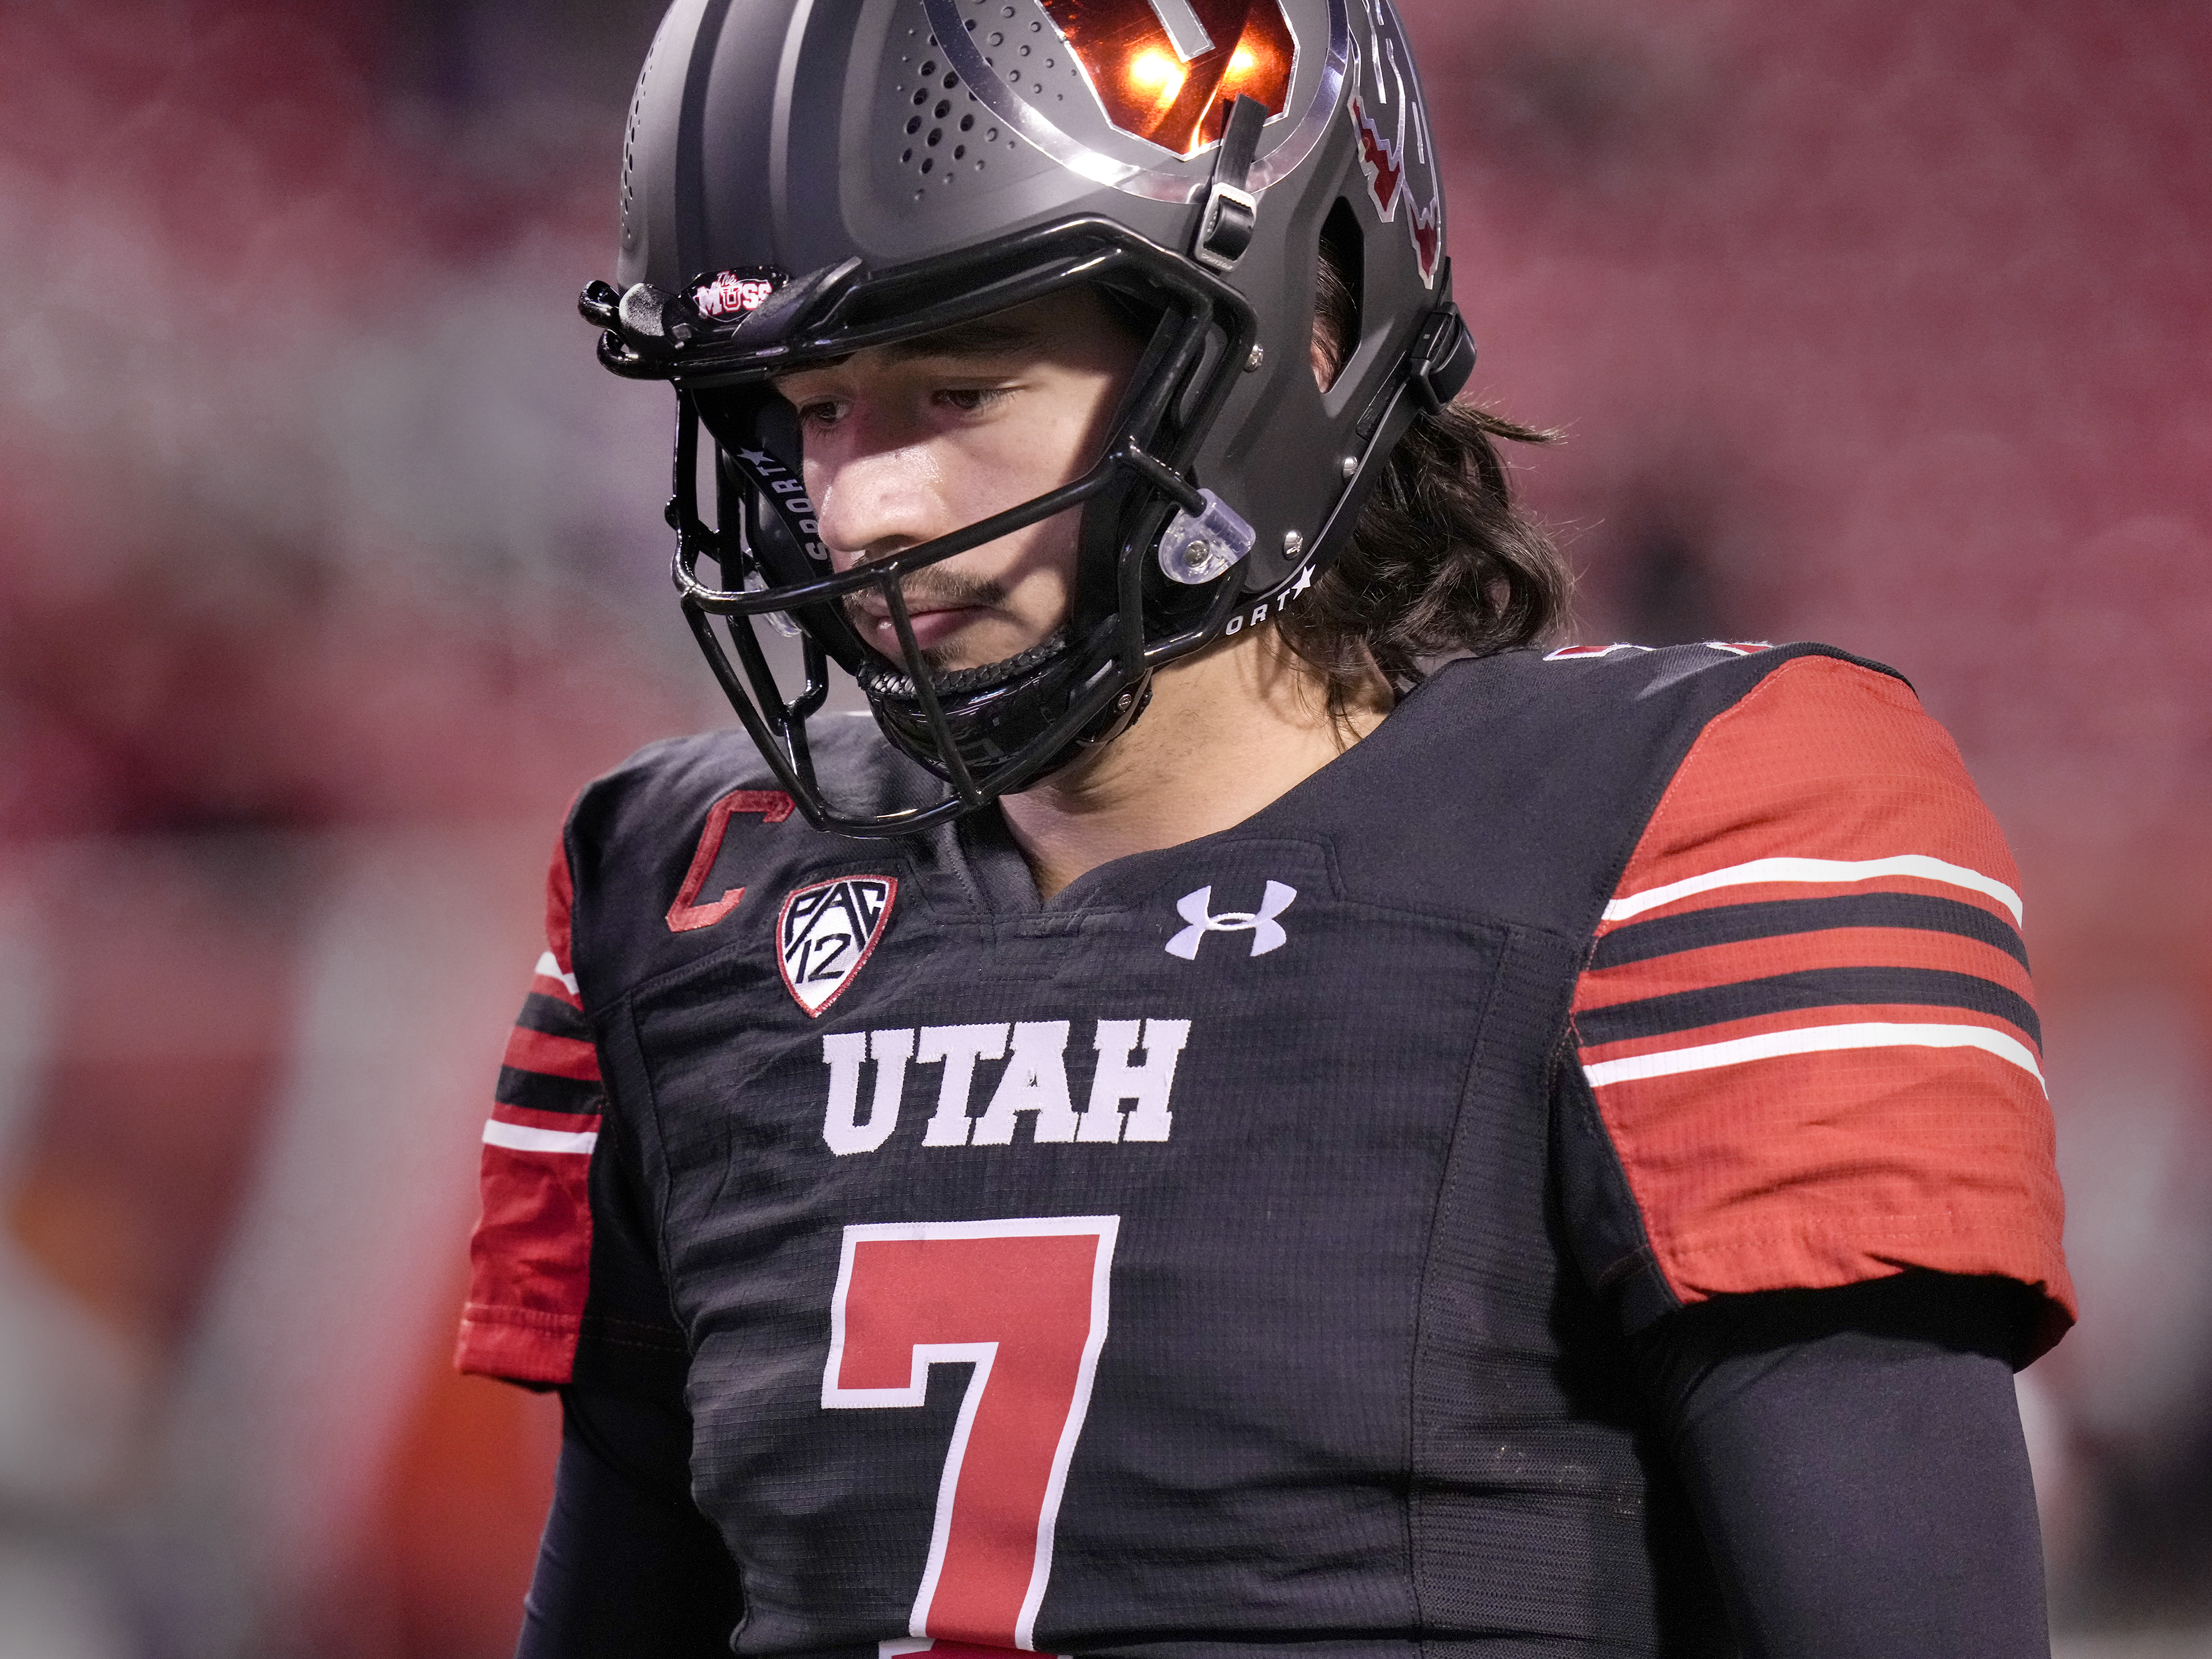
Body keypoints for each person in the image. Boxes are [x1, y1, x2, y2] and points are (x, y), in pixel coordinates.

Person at [457, 1, 2074, 1653]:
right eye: (810, 410)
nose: (864, 503)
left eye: (957, 392)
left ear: (1279, 347)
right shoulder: (683, 895)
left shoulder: (1687, 825)